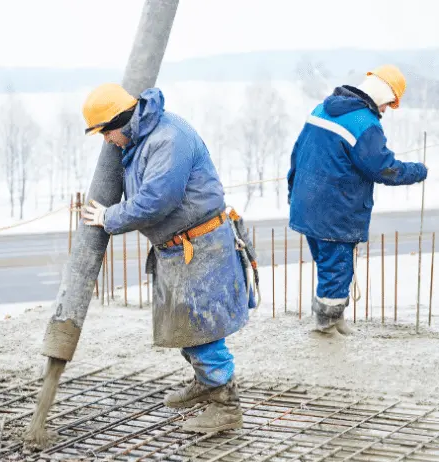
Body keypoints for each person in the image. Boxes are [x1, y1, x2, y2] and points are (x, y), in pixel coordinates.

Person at [81, 83, 255, 433]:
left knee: (204, 331)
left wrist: (109, 217)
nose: (107, 140)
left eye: (106, 131)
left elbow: (157, 200)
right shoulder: (144, 138)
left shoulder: (167, 139)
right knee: (187, 329)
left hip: (201, 245)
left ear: (122, 120)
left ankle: (226, 405)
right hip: (182, 247)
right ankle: (206, 383)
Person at [288, 65, 428, 336]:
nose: (387, 109)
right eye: (389, 103)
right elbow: (383, 168)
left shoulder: (321, 110)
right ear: (382, 94)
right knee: (337, 269)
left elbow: (297, 154)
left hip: (306, 206)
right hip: (336, 212)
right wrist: (418, 171)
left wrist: (292, 195)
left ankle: (334, 320)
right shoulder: (365, 124)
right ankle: (326, 328)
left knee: (328, 267)